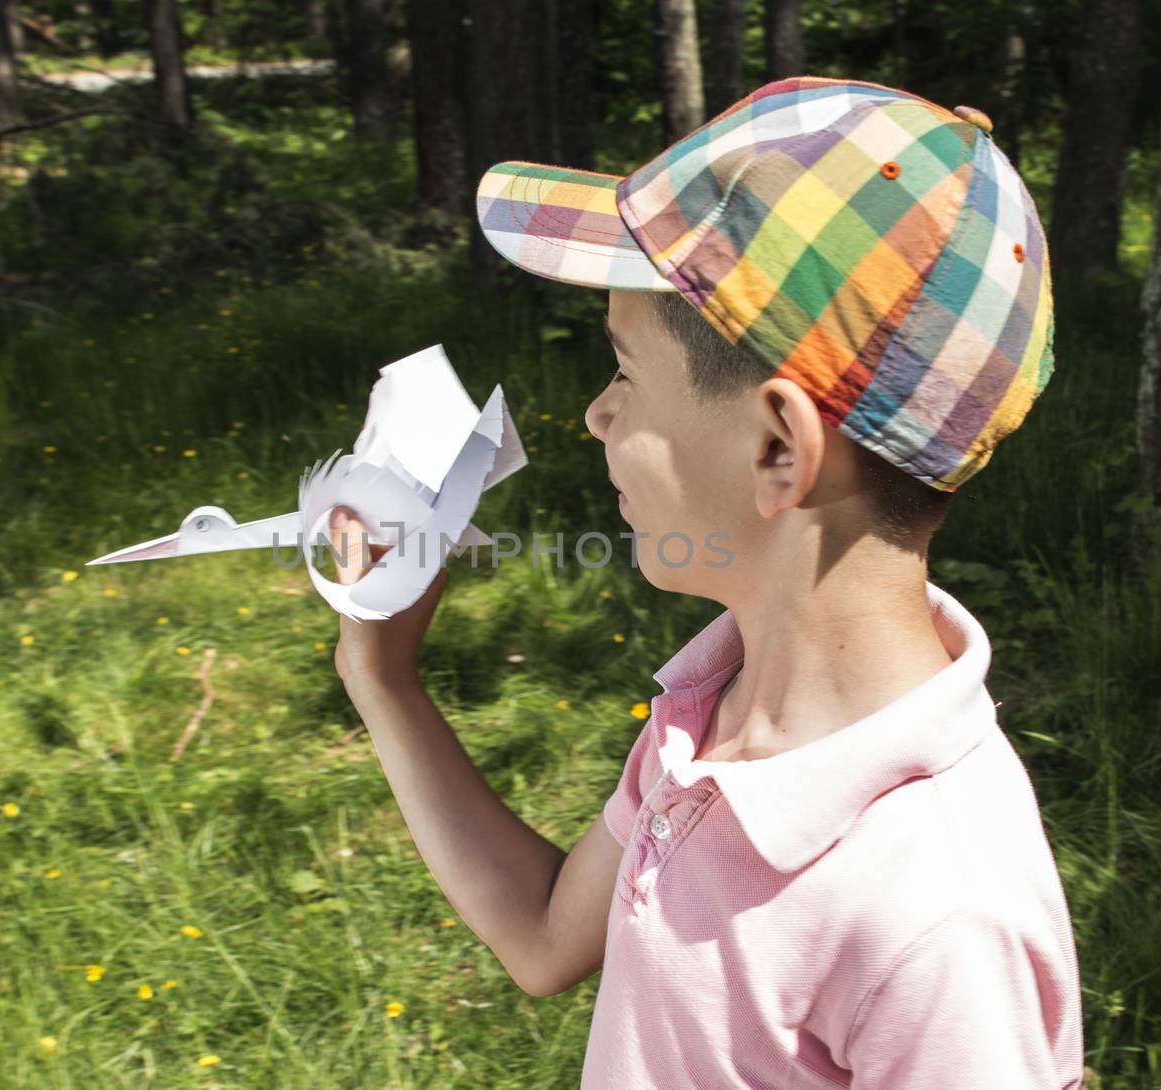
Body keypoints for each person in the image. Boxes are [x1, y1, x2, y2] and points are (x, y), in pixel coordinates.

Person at [327, 75, 1084, 1089]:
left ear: (779, 448)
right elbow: (546, 937)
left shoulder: (939, 912)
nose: (597, 414)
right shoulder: (714, 716)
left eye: (626, 374)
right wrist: (381, 675)